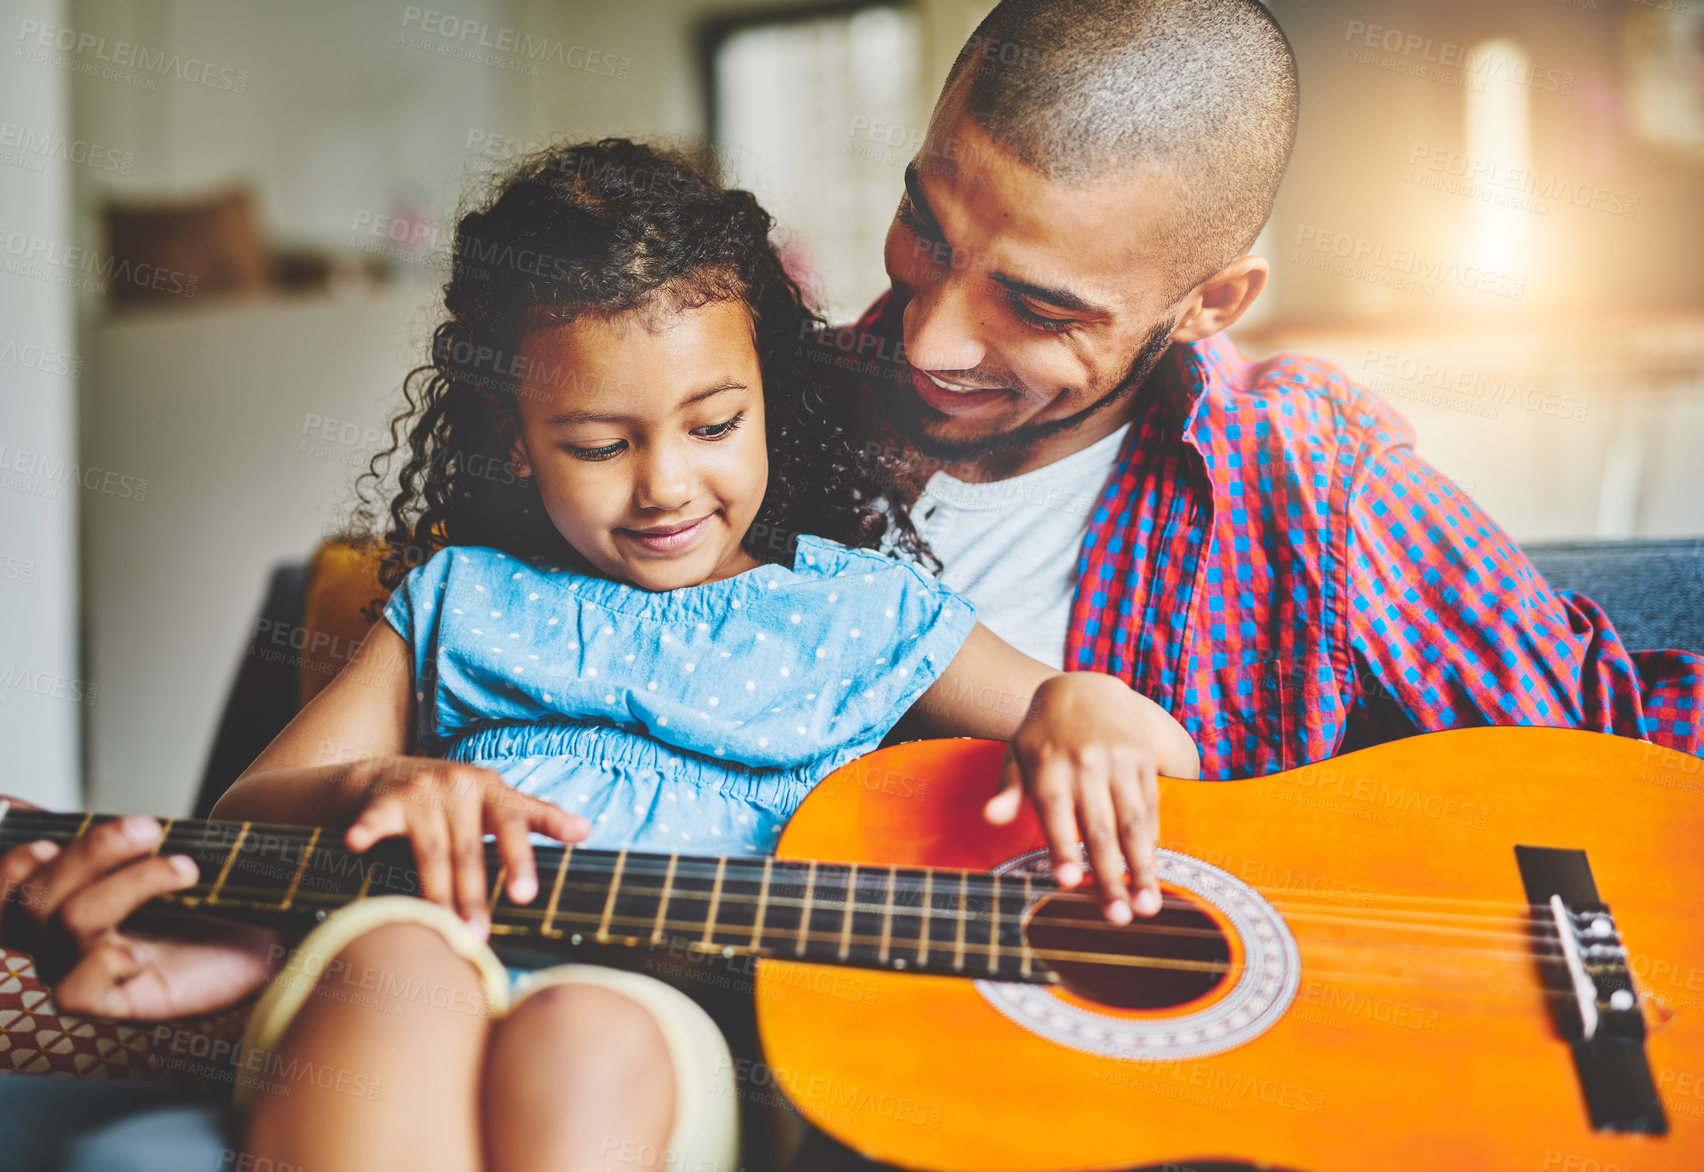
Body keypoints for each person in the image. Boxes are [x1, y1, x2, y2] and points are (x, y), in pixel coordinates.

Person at [1, 137, 1198, 1172]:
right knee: (402, 978)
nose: (667, 485)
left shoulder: (862, 613)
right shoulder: (460, 597)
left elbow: (1155, 756)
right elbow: (250, 809)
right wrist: (380, 783)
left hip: (678, 999)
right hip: (417, 936)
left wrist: (1083, 701)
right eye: (595, 442)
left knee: (589, 1034)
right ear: (518, 444)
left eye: (715, 425)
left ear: (769, 398)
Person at [810, 0, 1704, 777]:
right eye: (925, 230)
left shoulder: (1316, 485)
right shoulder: (744, 415)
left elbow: (1619, 750)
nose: (929, 340)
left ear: (1211, 303)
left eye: (1041, 308)